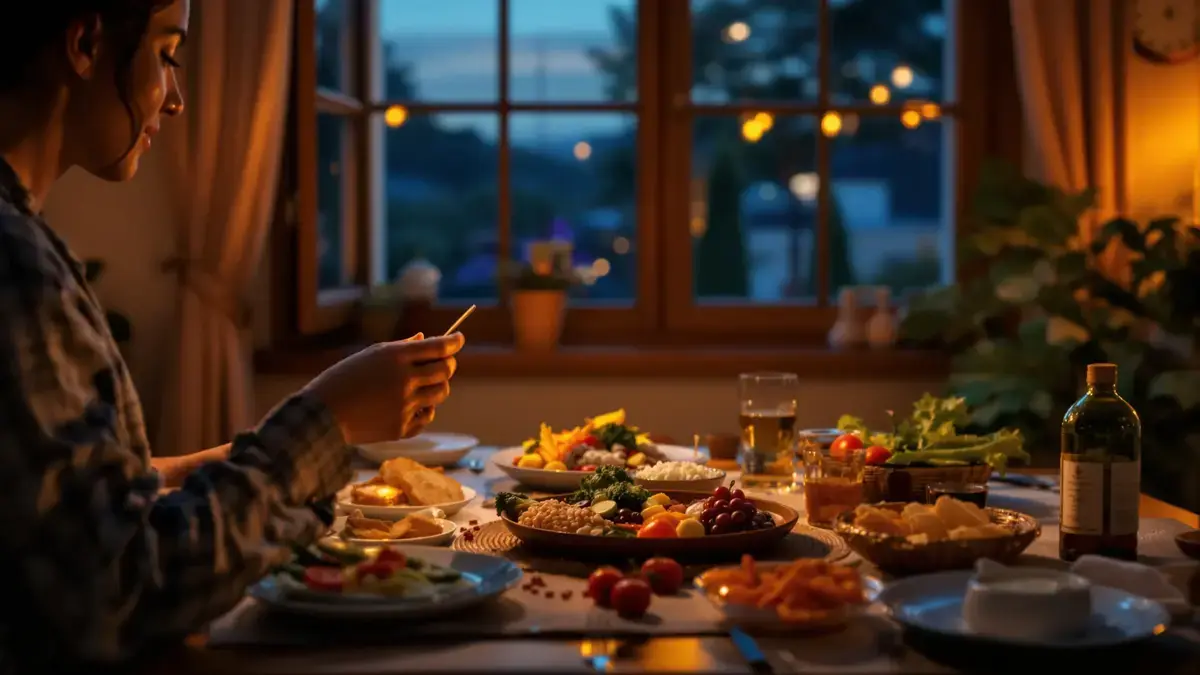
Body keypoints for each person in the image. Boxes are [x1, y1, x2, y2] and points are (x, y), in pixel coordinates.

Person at [0, 1, 465, 670]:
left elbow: (72, 503)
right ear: (84, 43)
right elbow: (121, 588)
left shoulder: (27, 241)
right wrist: (323, 422)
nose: (178, 98)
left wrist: (241, 456)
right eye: (166, 55)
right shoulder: (16, 265)